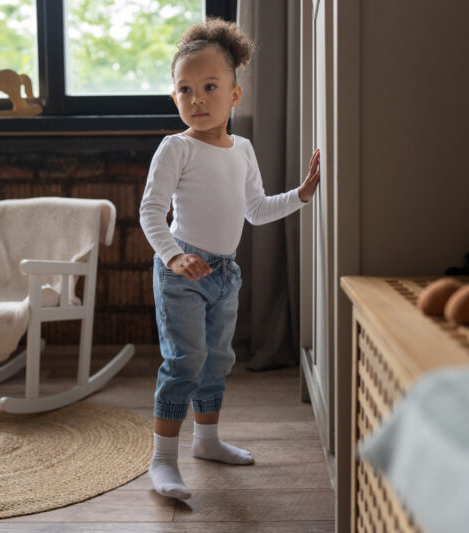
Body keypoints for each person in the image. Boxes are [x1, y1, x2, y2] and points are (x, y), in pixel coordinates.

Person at [139, 17, 321, 500]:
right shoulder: (175, 148)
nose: (196, 99)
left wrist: (302, 195)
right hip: (182, 273)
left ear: (235, 95)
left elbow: (255, 210)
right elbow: (151, 211)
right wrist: (174, 257)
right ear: (174, 97)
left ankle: (207, 441)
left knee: (217, 360)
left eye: (209, 87)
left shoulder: (243, 149)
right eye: (185, 89)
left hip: (225, 273)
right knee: (184, 361)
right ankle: (162, 461)